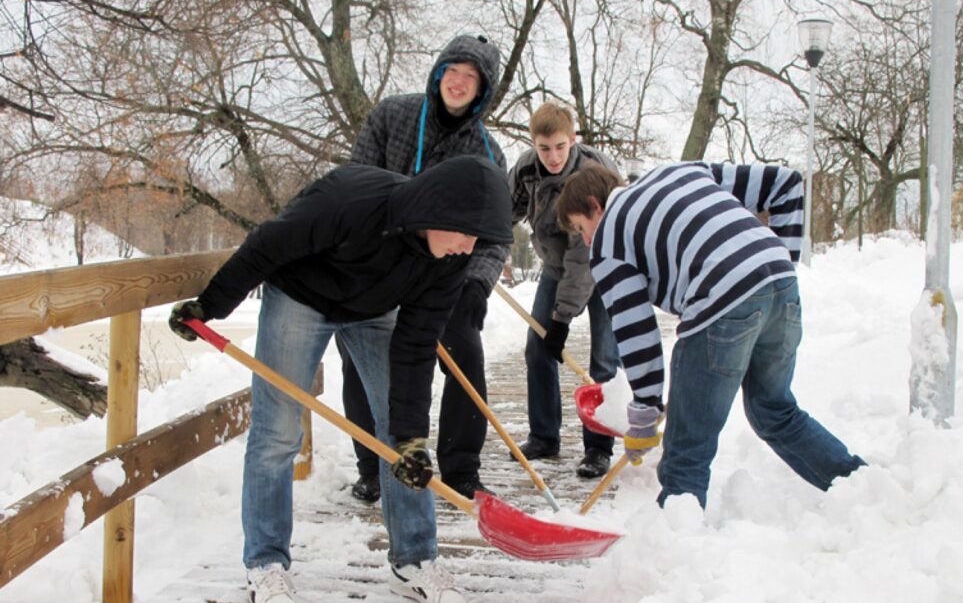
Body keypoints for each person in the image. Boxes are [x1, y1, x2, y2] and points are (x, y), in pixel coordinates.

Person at [168, 156, 513, 603]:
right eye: (465, 233)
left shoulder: (450, 260)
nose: (467, 247)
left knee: (401, 436)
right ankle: (266, 562)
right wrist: (210, 306)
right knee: (278, 431)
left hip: (375, 308)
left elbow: (415, 347)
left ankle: (415, 559)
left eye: (477, 239)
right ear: (439, 211)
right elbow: (266, 246)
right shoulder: (351, 201)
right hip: (301, 296)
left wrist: (410, 436)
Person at [555, 161, 865, 509]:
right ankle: (865, 491)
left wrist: (644, 414)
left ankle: (674, 547)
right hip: (781, 284)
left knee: (688, 446)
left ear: (596, 205)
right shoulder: (681, 172)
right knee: (774, 411)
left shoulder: (609, 238)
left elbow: (636, 331)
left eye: (582, 227)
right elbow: (787, 183)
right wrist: (783, 261)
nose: (586, 240)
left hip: (720, 297)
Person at [340, 34, 511, 504]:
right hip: (377, 263)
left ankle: (461, 469)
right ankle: (373, 465)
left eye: (470, 77)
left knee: (465, 357)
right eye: (452, 71)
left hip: (445, 273)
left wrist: (478, 283)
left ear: (483, 90)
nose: (458, 82)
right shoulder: (393, 115)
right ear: (438, 74)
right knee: (360, 361)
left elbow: (494, 232)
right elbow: (356, 185)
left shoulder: (488, 153)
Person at [507, 102, 620, 479]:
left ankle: (599, 447)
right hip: (556, 267)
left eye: (560, 146)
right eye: (544, 148)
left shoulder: (591, 175)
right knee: (537, 348)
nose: (553, 157)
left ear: (573, 139)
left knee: (604, 359)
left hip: (605, 263)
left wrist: (562, 320)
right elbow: (503, 212)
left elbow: (583, 257)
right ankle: (544, 435)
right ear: (533, 144)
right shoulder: (525, 169)